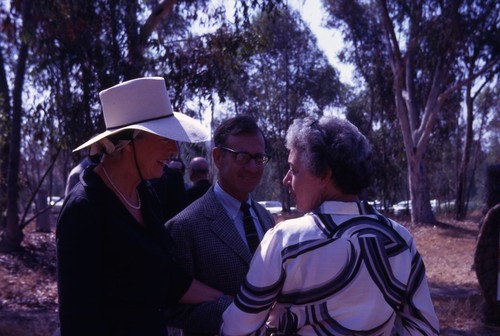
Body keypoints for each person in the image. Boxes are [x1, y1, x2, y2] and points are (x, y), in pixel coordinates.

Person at [221, 116, 440, 335]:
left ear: (324, 175)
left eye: (294, 170)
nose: (286, 179)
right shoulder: (400, 239)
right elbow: (425, 328)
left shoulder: (285, 240)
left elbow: (236, 330)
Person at [55, 77, 223, 336]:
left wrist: (232, 303)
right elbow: (79, 320)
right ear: (128, 143)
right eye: (164, 137)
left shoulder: (145, 194)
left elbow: (166, 277)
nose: (174, 149)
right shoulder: (84, 210)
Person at [165, 115, 276, 335]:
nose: (253, 167)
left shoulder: (266, 219)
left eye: (259, 157)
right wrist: (238, 311)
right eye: (242, 157)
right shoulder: (185, 226)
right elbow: (171, 309)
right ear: (218, 157)